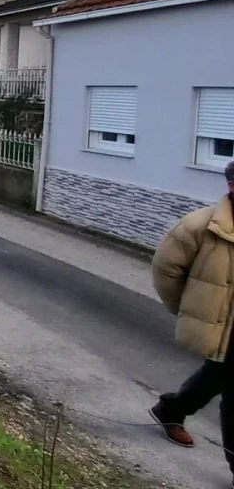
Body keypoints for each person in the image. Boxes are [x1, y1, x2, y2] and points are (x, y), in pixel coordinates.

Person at [149, 160, 234, 472]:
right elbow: (165, 270)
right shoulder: (199, 226)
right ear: (232, 186)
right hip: (225, 327)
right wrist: (189, 309)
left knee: (214, 378)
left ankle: (170, 409)